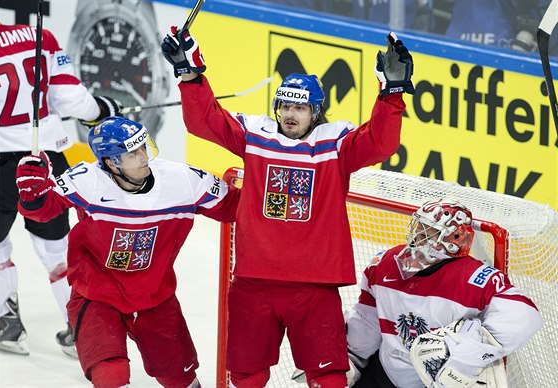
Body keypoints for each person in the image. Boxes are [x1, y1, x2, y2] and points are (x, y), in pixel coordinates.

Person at [161, 24, 415, 387]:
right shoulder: (256, 135)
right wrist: (189, 73)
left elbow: (380, 142)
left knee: (329, 376)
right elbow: (204, 121)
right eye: (285, 105)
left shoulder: (335, 143)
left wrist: (391, 94)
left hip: (314, 287)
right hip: (254, 281)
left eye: (300, 107)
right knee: (246, 374)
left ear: (316, 111)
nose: (291, 114)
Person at [15, 116, 239, 387]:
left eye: (144, 146)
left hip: (155, 296)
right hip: (97, 296)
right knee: (111, 375)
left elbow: (238, 208)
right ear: (111, 162)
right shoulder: (87, 180)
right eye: (133, 152)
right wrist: (32, 190)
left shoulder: (184, 180)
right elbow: (42, 209)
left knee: (180, 377)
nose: (144, 156)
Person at [0, 21, 121, 357]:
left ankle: (6, 324)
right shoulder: (40, 35)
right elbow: (70, 99)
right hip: (46, 161)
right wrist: (102, 111)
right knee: (58, 252)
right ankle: (83, 331)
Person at [344, 198, 543, 387]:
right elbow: (367, 317)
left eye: (427, 233)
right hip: (385, 375)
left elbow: (525, 315)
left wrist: (468, 350)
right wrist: (352, 356)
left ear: (454, 240)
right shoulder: (386, 264)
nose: (416, 238)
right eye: (418, 229)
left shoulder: (476, 278)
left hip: (438, 381)